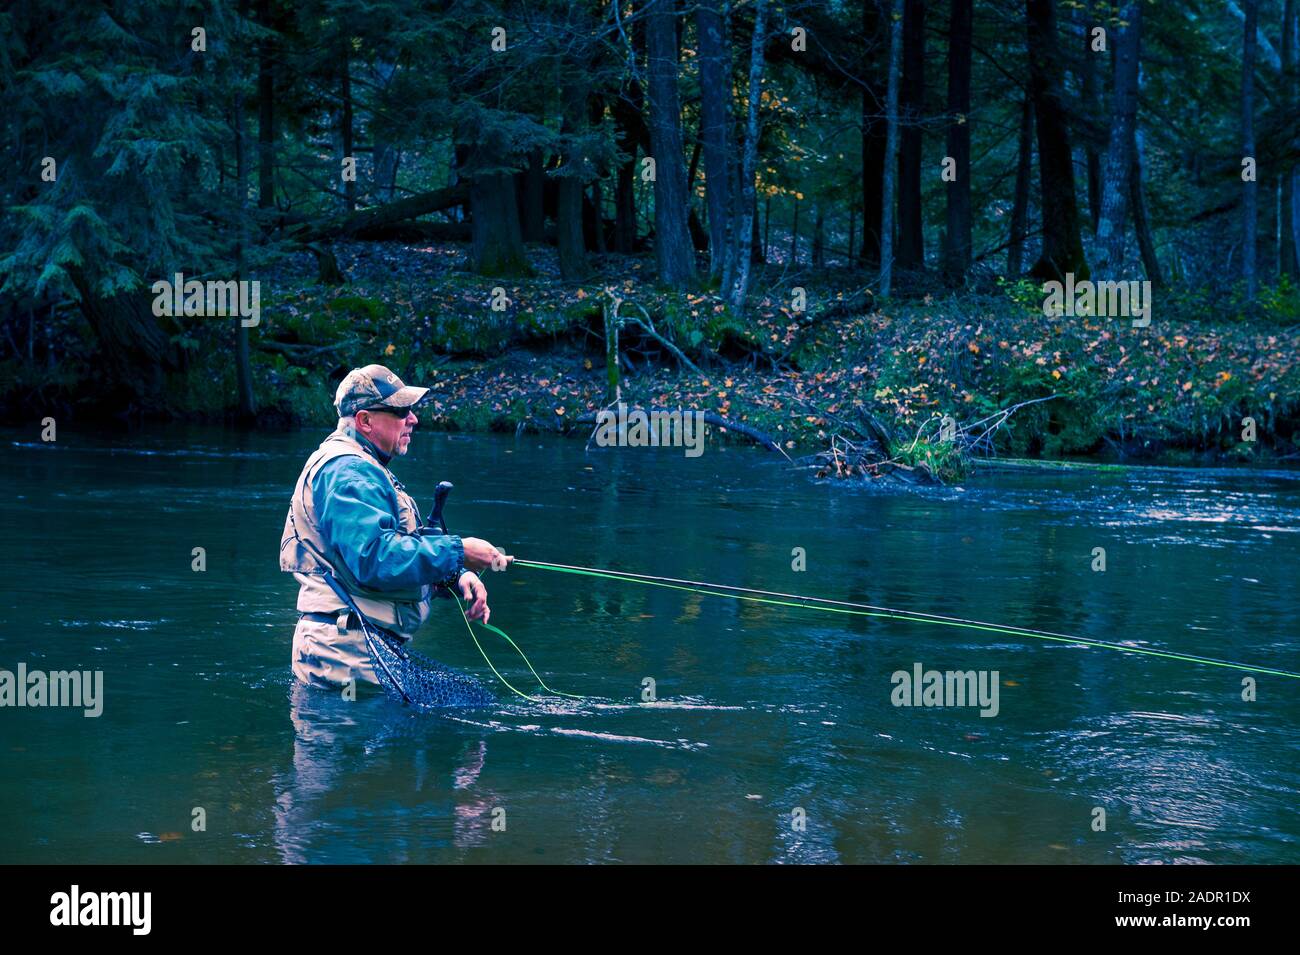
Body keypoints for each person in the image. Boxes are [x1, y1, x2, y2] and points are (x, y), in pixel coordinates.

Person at [280, 363, 510, 688]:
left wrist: (457, 577)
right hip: (346, 657)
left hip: (362, 648)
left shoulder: (362, 466)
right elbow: (374, 558)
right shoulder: (348, 473)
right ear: (365, 420)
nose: (413, 419)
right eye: (401, 411)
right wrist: (460, 550)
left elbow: (393, 555)